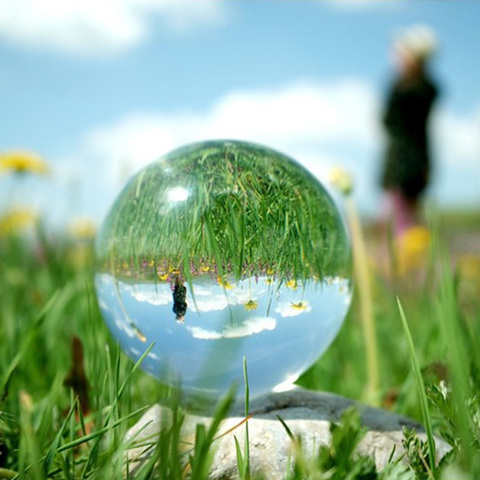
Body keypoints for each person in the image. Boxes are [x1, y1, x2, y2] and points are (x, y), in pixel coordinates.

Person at [380, 25, 439, 237]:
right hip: (410, 162)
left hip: (406, 164)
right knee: (401, 218)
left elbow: (390, 122)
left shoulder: (413, 91)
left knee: (399, 221)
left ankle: (405, 263)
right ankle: (406, 262)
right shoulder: (417, 88)